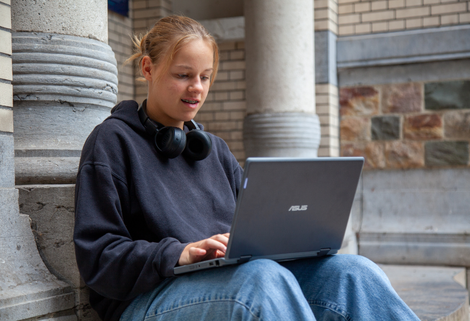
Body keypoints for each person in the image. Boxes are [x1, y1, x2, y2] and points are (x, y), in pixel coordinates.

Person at [73, 15, 420, 321]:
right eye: (183, 75)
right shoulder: (112, 141)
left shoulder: (216, 152)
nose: (197, 88)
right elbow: (99, 256)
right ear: (148, 68)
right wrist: (179, 253)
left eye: (205, 77)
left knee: (353, 273)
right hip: (149, 298)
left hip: (236, 279)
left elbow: (255, 230)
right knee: (263, 280)